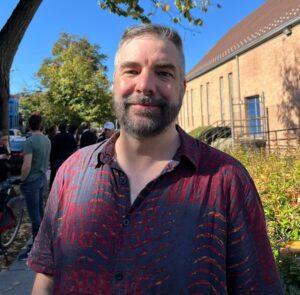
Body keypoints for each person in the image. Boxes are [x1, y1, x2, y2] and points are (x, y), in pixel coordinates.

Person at [28, 24, 283, 294]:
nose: (146, 85)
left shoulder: (228, 181)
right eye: (132, 71)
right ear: (115, 84)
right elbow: (47, 277)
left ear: (183, 88)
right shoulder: (71, 172)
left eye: (163, 73)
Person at [19, 114, 51, 260]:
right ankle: (45, 241)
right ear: (40, 124)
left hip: (31, 180)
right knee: (40, 211)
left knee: (34, 216)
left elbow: (26, 165)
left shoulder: (30, 142)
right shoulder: (46, 139)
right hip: (42, 178)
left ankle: (37, 248)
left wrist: (21, 179)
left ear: (29, 126)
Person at [49, 122, 77, 189]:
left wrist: (51, 160)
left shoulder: (55, 137)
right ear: (66, 128)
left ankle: (52, 187)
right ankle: (65, 187)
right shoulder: (70, 136)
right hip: (67, 159)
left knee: (54, 174)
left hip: (57, 158)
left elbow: (52, 150)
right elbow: (74, 148)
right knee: (65, 175)